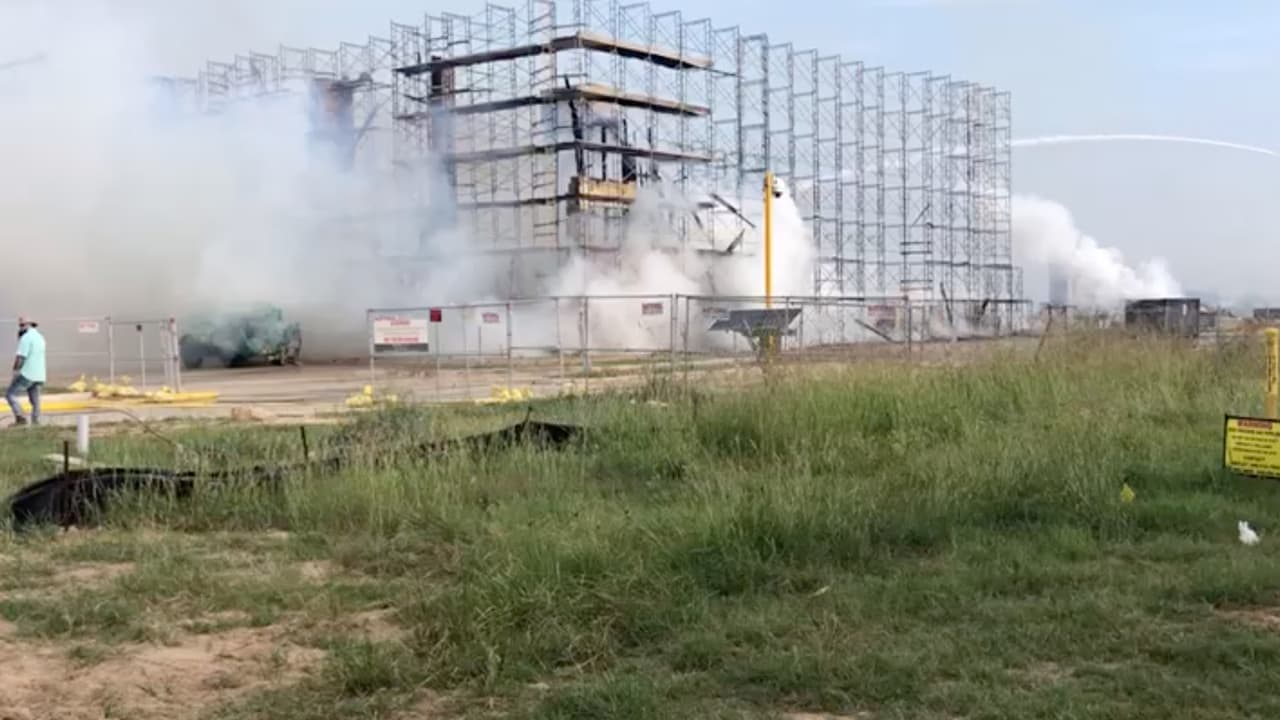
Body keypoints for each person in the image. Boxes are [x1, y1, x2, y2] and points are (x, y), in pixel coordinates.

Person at [7, 316, 47, 426]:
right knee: (35, 401)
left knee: (11, 395)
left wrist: (15, 371)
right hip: (39, 375)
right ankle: (36, 421)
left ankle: (21, 417)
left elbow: (20, 357)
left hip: (27, 373)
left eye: (22, 325)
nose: (20, 328)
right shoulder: (40, 337)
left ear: (29, 325)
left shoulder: (26, 338)